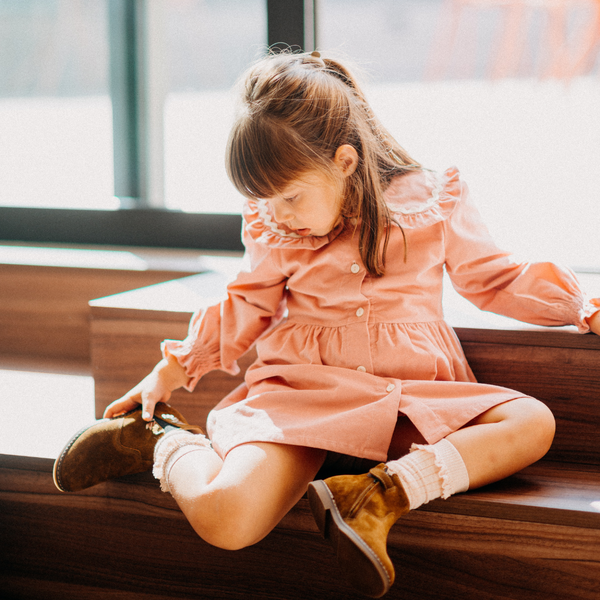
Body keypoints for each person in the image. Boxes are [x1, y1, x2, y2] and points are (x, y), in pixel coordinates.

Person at [53, 50, 600, 598]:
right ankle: (159, 440)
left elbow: (496, 278)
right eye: (265, 201)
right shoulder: (277, 229)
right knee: (228, 520)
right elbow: (245, 304)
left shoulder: (431, 204)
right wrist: (170, 372)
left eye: (290, 196)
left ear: (344, 160)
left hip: (407, 396)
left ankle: (380, 494)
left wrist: (582, 306)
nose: (278, 214)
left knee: (533, 422)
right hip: (303, 396)